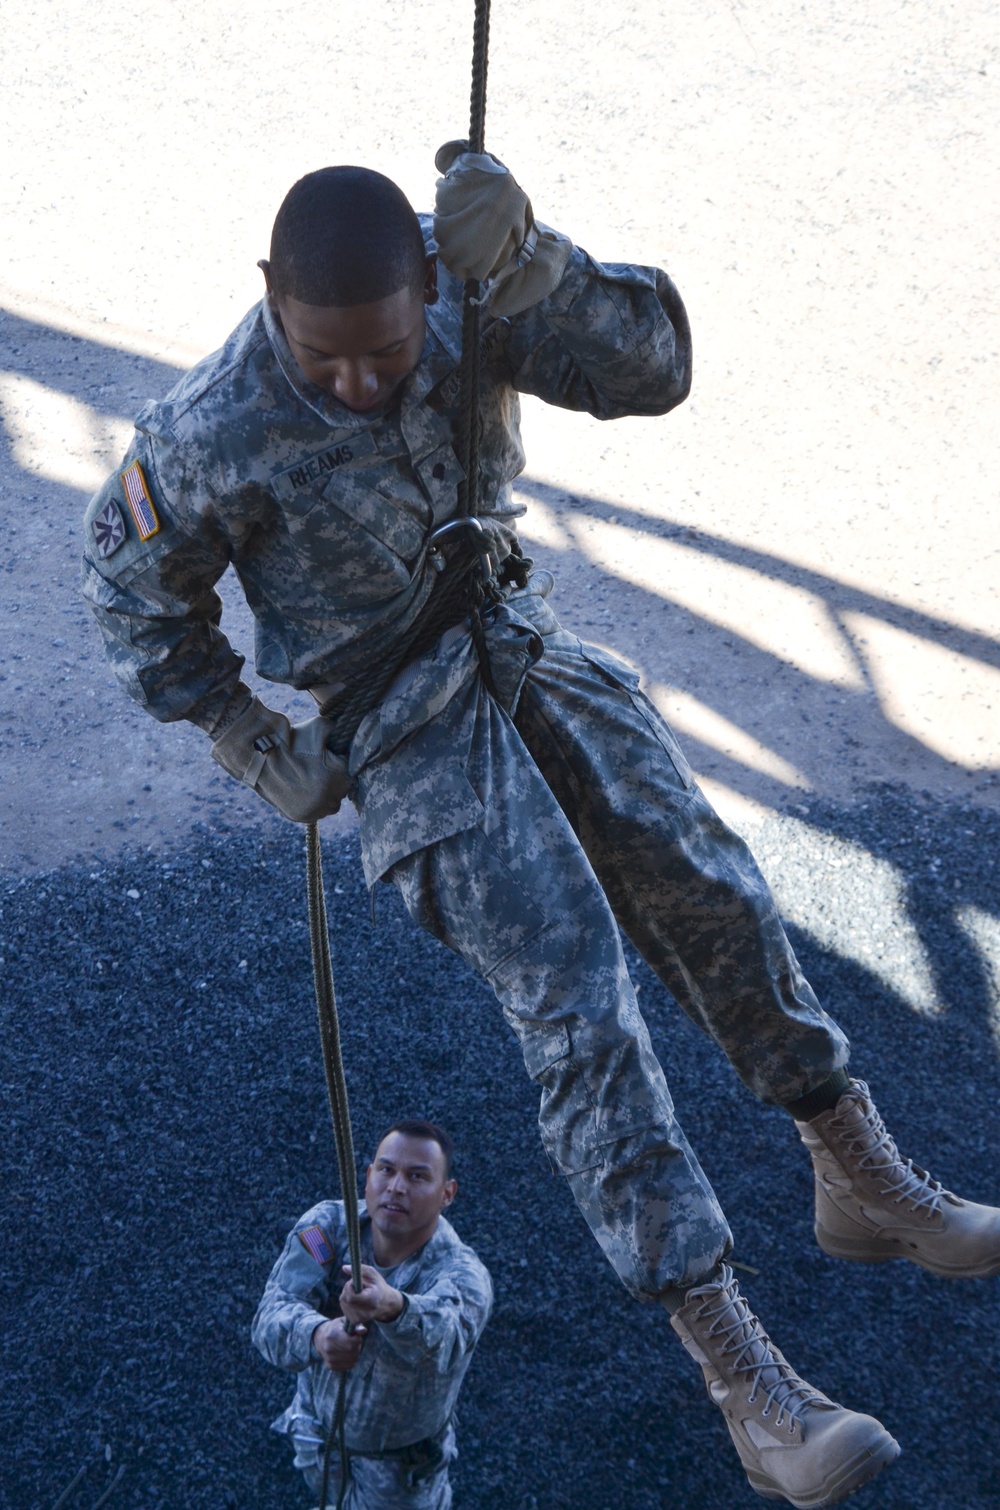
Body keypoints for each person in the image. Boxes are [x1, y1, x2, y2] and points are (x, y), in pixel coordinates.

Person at [82, 150, 1000, 1508]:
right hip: (400, 732)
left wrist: (535, 264)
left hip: (524, 647)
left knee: (716, 889)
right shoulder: (209, 430)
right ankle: (744, 1374)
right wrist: (245, 734)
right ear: (270, 295)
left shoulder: (467, 291)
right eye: (326, 358)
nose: (361, 383)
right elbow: (129, 590)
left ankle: (856, 1169)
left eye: (387, 353)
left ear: (425, 296)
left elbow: (653, 370)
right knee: (579, 1000)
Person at [252, 1119, 492, 1508]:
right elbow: (269, 1318)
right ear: (367, 1176)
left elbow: (446, 1339)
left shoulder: (462, 1274)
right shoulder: (327, 1229)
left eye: (417, 1176)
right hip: (319, 1437)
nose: (396, 1187)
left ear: (447, 1194)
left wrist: (392, 1307)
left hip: (398, 1472)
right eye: (386, 1170)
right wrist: (317, 1335)